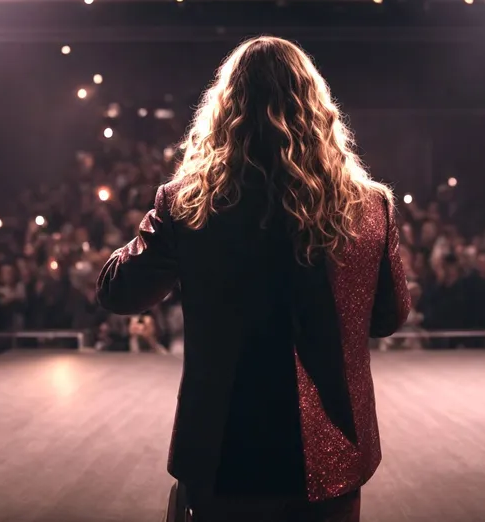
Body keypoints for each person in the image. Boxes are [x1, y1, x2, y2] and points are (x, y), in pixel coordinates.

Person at [97, 36, 410, 522]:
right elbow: (389, 318)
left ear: (223, 114)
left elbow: (118, 292)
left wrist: (168, 208)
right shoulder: (372, 207)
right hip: (331, 455)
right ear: (317, 110)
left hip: (224, 455)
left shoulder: (186, 202)